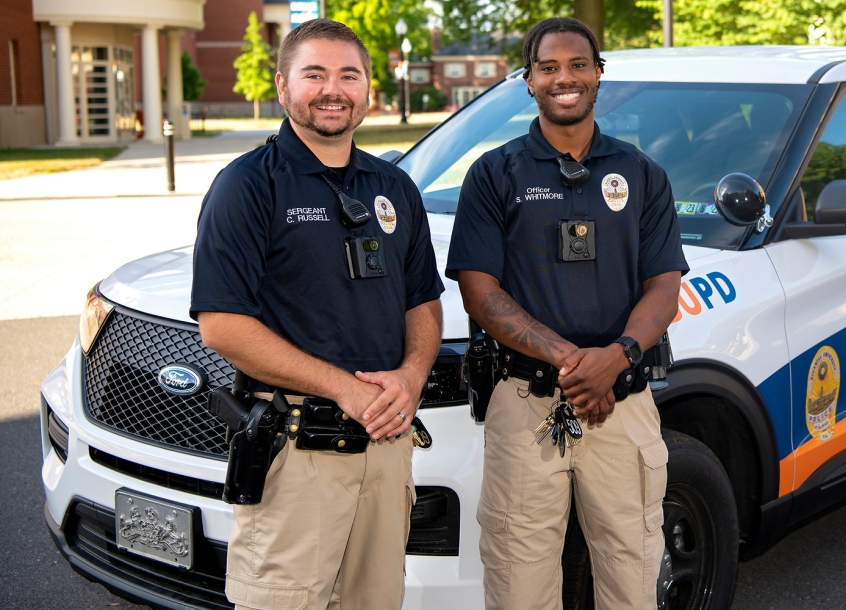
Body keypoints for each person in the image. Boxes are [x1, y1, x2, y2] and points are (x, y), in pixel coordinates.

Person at [190, 18, 443, 610]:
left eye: (348, 75)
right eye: (315, 74)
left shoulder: (394, 186)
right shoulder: (247, 186)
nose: (334, 89)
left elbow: (422, 300)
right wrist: (343, 390)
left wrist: (410, 377)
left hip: (386, 449)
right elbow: (221, 324)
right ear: (283, 87)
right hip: (297, 454)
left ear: (368, 89)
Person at [446, 17, 688, 609]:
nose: (565, 79)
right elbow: (479, 292)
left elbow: (664, 284)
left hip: (625, 406)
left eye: (578, 64)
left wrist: (619, 357)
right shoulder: (492, 173)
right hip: (525, 405)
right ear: (528, 81)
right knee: (519, 583)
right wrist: (578, 366)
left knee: (633, 578)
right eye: (548, 68)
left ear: (599, 74)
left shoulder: (641, 173)